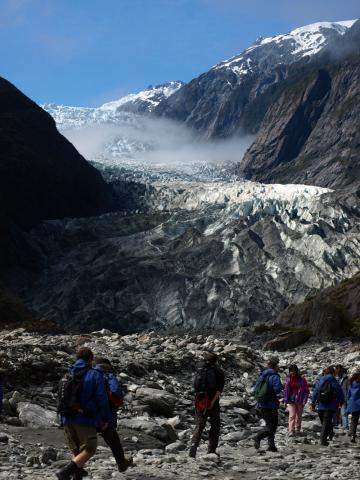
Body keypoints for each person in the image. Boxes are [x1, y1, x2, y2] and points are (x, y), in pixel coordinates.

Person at [56, 347, 112, 480]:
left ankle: (76, 475)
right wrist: (105, 419)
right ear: (91, 360)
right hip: (84, 418)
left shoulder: (67, 374)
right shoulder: (94, 374)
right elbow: (101, 399)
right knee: (90, 448)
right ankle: (65, 472)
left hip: (67, 417)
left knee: (76, 449)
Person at [94, 357, 132, 472]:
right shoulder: (108, 375)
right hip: (106, 412)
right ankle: (122, 463)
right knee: (113, 440)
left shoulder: (88, 375)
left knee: (84, 441)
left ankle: (76, 467)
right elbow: (115, 392)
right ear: (107, 366)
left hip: (87, 412)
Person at [189, 351, 225, 458]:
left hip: (199, 400)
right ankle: (211, 450)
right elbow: (219, 391)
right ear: (216, 361)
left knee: (200, 424)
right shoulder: (219, 372)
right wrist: (212, 403)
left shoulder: (199, 368)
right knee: (215, 425)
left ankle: (193, 448)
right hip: (211, 402)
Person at [253, 357, 283, 452]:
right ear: (275, 366)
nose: (278, 367)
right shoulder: (275, 376)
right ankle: (258, 437)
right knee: (272, 426)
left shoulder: (262, 376)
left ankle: (271, 446)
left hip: (261, 404)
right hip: (271, 404)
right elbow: (277, 389)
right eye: (277, 365)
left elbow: (255, 389)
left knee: (270, 424)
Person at [311, 365, 344, 446]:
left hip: (321, 405)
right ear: (333, 373)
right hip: (330, 405)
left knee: (325, 422)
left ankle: (330, 434)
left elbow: (315, 391)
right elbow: (339, 392)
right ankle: (323, 439)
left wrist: (313, 403)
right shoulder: (334, 381)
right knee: (327, 422)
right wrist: (341, 401)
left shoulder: (320, 380)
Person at [284, 364, 309, 436]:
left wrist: (305, 399)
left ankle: (297, 429)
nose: (292, 372)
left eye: (294, 371)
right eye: (291, 371)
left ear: (297, 371)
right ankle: (291, 430)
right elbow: (286, 390)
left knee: (299, 415)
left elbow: (306, 391)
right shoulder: (288, 379)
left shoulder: (302, 380)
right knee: (292, 415)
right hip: (291, 399)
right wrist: (285, 400)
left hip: (300, 399)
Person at [334, 365, 350, 431]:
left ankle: (345, 426)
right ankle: (341, 424)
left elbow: (348, 390)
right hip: (339, 398)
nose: (337, 373)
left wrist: (347, 399)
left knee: (343, 413)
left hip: (344, 399)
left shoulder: (346, 380)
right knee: (340, 412)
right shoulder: (339, 379)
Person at [346, 370, 360, 443]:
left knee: (354, 420)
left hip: (352, 404)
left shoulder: (351, 384)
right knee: (355, 420)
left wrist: (348, 403)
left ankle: (352, 434)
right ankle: (352, 435)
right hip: (358, 404)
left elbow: (348, 395)